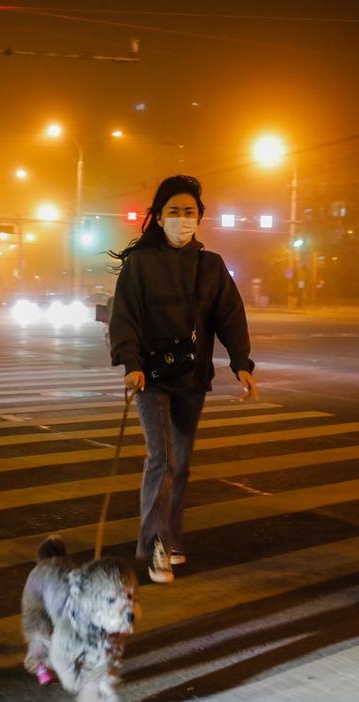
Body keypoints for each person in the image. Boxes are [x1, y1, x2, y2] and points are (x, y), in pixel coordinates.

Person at [108, 175, 258, 583]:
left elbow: (230, 316)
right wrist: (130, 362)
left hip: (192, 377)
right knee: (162, 460)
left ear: (199, 217)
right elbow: (125, 318)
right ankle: (155, 544)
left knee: (183, 463)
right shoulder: (140, 264)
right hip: (151, 378)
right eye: (173, 212)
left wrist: (241, 362)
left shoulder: (210, 266)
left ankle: (171, 538)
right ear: (158, 217)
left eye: (189, 212)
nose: (181, 219)